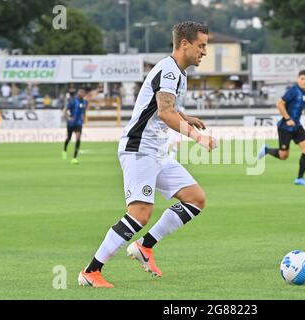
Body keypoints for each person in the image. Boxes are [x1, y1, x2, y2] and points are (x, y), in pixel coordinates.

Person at [78, 21, 216, 288]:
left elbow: (165, 107)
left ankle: (145, 246)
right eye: (201, 46)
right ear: (184, 44)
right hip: (139, 147)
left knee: (195, 199)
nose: (204, 52)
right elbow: (165, 112)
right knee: (140, 213)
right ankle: (91, 271)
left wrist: (187, 117)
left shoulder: (179, 73)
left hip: (158, 150)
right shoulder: (168, 70)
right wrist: (196, 135)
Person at [258, 70, 305, 186]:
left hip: (297, 126)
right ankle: (266, 150)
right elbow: (279, 103)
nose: (304, 81)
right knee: (283, 156)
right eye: (302, 79)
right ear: (298, 79)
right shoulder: (293, 91)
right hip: (285, 127)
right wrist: (287, 118)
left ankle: (299, 178)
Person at [62, 88, 87, 164]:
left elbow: (83, 111)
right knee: (69, 138)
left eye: (83, 92)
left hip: (78, 123)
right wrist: (68, 118)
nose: (82, 93)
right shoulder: (73, 101)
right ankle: (64, 149)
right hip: (71, 123)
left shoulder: (85, 102)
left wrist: (83, 119)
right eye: (80, 92)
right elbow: (65, 110)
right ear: (78, 93)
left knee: (78, 137)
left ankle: (74, 158)